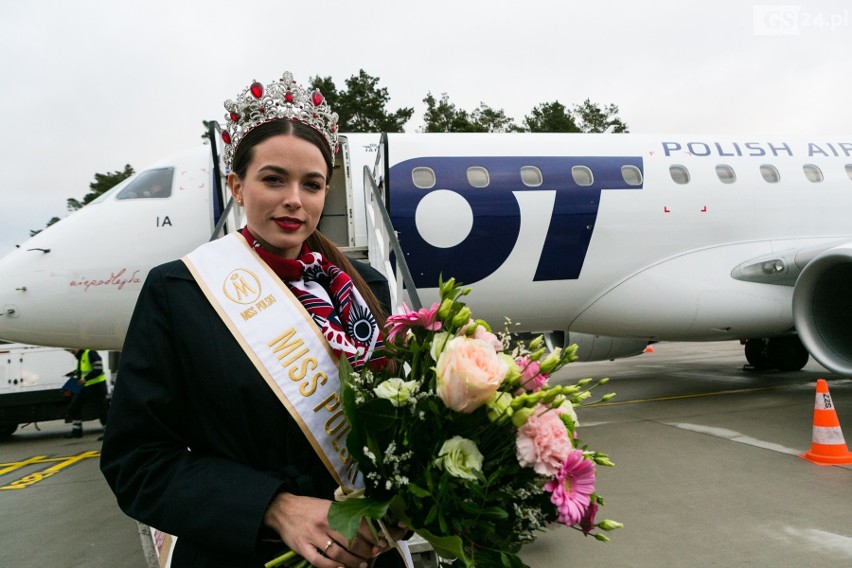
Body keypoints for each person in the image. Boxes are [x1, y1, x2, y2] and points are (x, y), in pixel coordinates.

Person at [100, 72, 405, 568]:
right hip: (242, 554)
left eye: (312, 184)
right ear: (237, 187)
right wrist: (275, 507)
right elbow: (136, 463)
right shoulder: (180, 292)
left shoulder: (366, 286)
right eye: (273, 179)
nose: (294, 200)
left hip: (364, 554)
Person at [64, 348, 108, 438]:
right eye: (68, 351)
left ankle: (109, 433)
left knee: (101, 410)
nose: (71, 352)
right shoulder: (81, 356)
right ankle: (77, 431)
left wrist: (85, 378)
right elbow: (84, 370)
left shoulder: (90, 352)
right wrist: (74, 373)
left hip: (96, 386)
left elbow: (98, 369)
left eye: (71, 350)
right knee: (73, 406)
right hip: (86, 387)